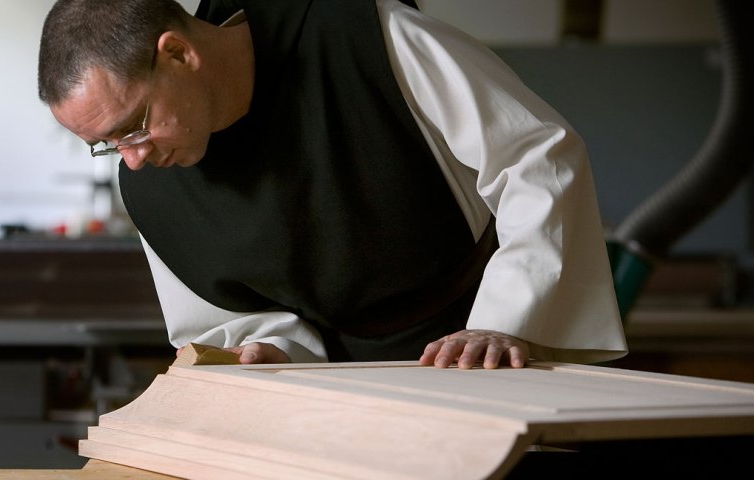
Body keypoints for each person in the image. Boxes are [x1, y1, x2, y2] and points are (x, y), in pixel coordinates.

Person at [37, 0, 628, 368]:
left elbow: (534, 156)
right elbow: (235, 318)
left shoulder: (365, 36)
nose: (132, 159)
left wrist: (504, 318)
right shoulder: (151, 189)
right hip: (338, 389)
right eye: (106, 144)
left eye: (133, 126)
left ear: (178, 54)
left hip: (490, 343)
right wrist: (271, 351)